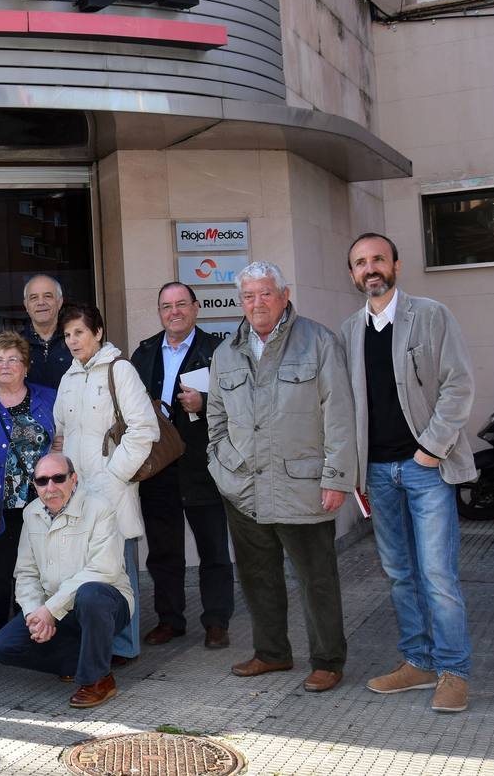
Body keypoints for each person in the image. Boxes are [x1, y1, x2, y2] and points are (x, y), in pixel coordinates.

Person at [342, 233, 476, 713]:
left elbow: (458, 385)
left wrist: (430, 449)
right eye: (360, 263)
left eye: (378, 259)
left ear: (396, 264)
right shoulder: (349, 332)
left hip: (426, 470)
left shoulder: (432, 315)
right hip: (377, 473)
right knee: (399, 573)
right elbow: (345, 407)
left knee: (438, 574)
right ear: (353, 274)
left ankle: (454, 671)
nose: (370, 268)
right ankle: (417, 662)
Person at [207, 261, 355, 693]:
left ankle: (328, 660)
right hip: (243, 488)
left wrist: (336, 477)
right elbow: (215, 420)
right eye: (248, 296)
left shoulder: (319, 341)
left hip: (303, 485)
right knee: (257, 576)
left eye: (265, 294)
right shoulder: (225, 352)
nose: (257, 303)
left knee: (317, 578)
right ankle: (272, 652)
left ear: (284, 296)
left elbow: (340, 415)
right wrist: (222, 468)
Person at [129, 282, 234, 650]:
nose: (174, 311)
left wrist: (204, 402)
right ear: (159, 312)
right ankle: (169, 620)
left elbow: (238, 403)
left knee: (213, 550)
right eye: (166, 306)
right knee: (163, 551)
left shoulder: (219, 351)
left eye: (181, 304)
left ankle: (217, 621)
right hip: (158, 468)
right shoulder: (142, 353)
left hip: (202, 466)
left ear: (196, 307)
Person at [52, 303, 158, 666]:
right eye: (67, 335)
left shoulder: (120, 370)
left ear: (98, 332)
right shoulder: (68, 379)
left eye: (79, 332)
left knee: (118, 573)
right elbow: (61, 434)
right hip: (76, 497)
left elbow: (145, 428)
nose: (72, 341)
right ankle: (95, 644)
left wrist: (114, 476)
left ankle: (124, 646)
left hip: (112, 493)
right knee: (85, 575)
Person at [0, 453, 134, 709]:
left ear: (73, 479)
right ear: (34, 485)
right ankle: (81, 661)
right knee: (3, 646)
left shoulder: (99, 508)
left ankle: (98, 679)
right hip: (54, 609)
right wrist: (35, 615)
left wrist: (50, 609)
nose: (51, 487)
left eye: (59, 478)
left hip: (105, 604)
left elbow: (105, 569)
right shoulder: (31, 513)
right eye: (42, 481)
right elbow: (26, 573)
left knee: (91, 594)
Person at [0, 331, 56, 656]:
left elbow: (63, 436)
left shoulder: (48, 398)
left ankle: (33, 629)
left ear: (26, 367)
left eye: (13, 359)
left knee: (39, 570)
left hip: (44, 503)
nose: (5, 365)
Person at [21, 274, 74, 391]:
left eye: (48, 296)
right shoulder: (15, 344)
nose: (41, 302)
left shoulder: (76, 340)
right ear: (26, 305)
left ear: (59, 302)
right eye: (34, 297)